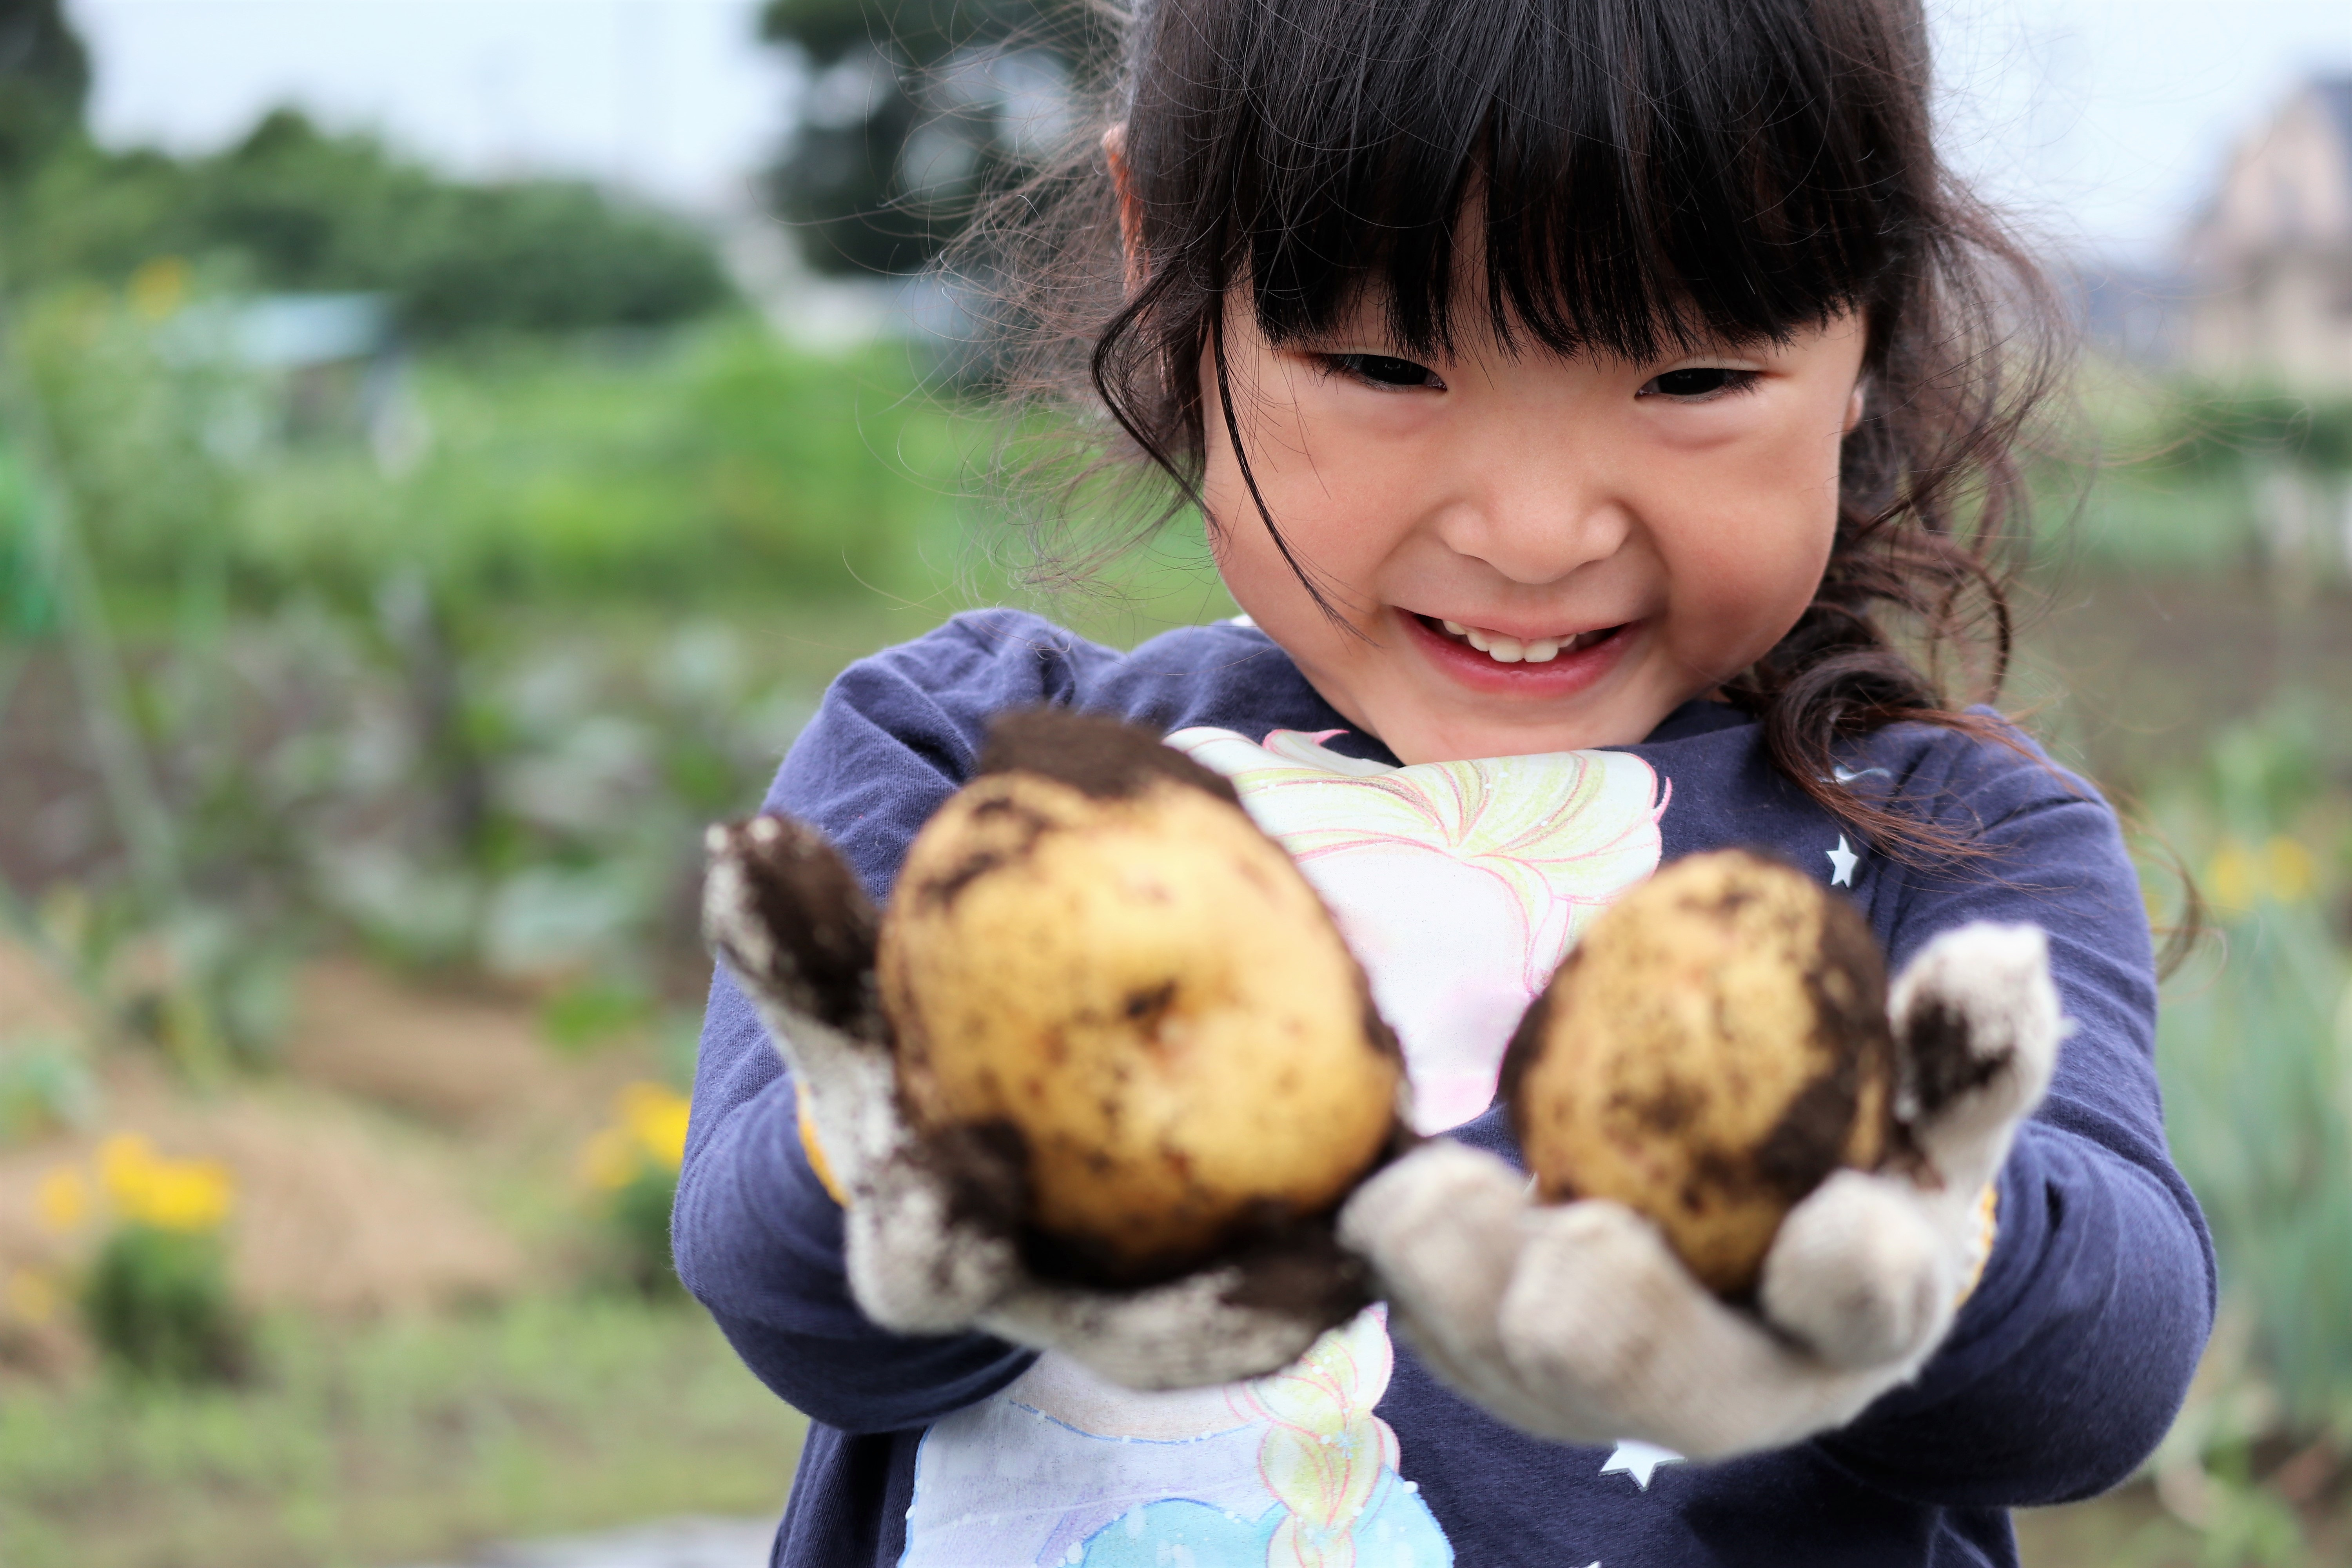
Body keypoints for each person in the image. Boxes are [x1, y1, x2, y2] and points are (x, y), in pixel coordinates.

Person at [675, 0, 2216, 1563]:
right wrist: (1001, 1096)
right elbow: (806, 1308)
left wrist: (1846, 1199)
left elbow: (2095, 1381)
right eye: (1385, 362)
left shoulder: (1937, 846)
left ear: (1872, 316)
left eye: (1691, 380)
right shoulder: (976, 770)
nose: (1536, 531)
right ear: (1167, 256)